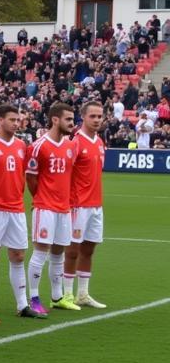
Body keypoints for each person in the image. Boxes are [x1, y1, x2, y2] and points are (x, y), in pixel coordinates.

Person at [0, 104, 39, 318]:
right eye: (12, 120)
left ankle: (22, 305)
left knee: (18, 255)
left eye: (18, 120)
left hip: (16, 207)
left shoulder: (21, 145)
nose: (16, 124)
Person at [26, 102, 80, 313]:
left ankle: (57, 297)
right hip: (45, 207)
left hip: (64, 208)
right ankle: (34, 298)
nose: (72, 123)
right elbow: (31, 178)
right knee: (41, 253)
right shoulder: (39, 146)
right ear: (55, 119)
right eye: (68, 119)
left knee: (59, 253)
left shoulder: (70, 146)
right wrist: (41, 199)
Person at [63, 101, 107, 308]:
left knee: (89, 250)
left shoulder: (99, 141)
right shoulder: (75, 141)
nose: (97, 120)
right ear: (83, 117)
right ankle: (66, 295)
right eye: (93, 116)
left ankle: (83, 294)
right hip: (78, 205)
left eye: (100, 116)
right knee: (72, 251)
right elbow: (65, 173)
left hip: (96, 205)